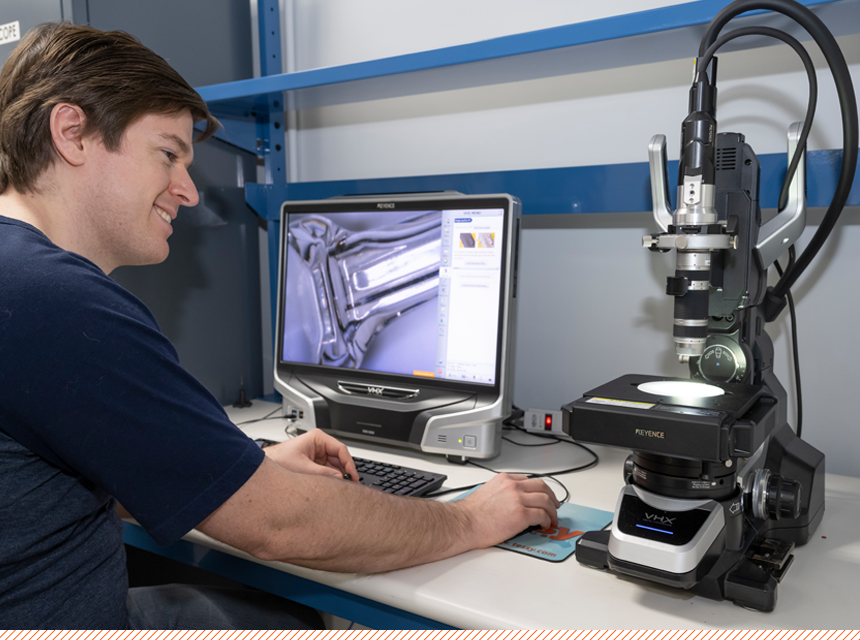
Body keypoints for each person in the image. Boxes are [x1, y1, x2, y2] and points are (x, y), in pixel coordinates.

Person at [0, 22, 559, 630]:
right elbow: (279, 525)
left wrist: (234, 468)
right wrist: (472, 519)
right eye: (168, 154)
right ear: (72, 133)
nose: (188, 192)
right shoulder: (56, 300)